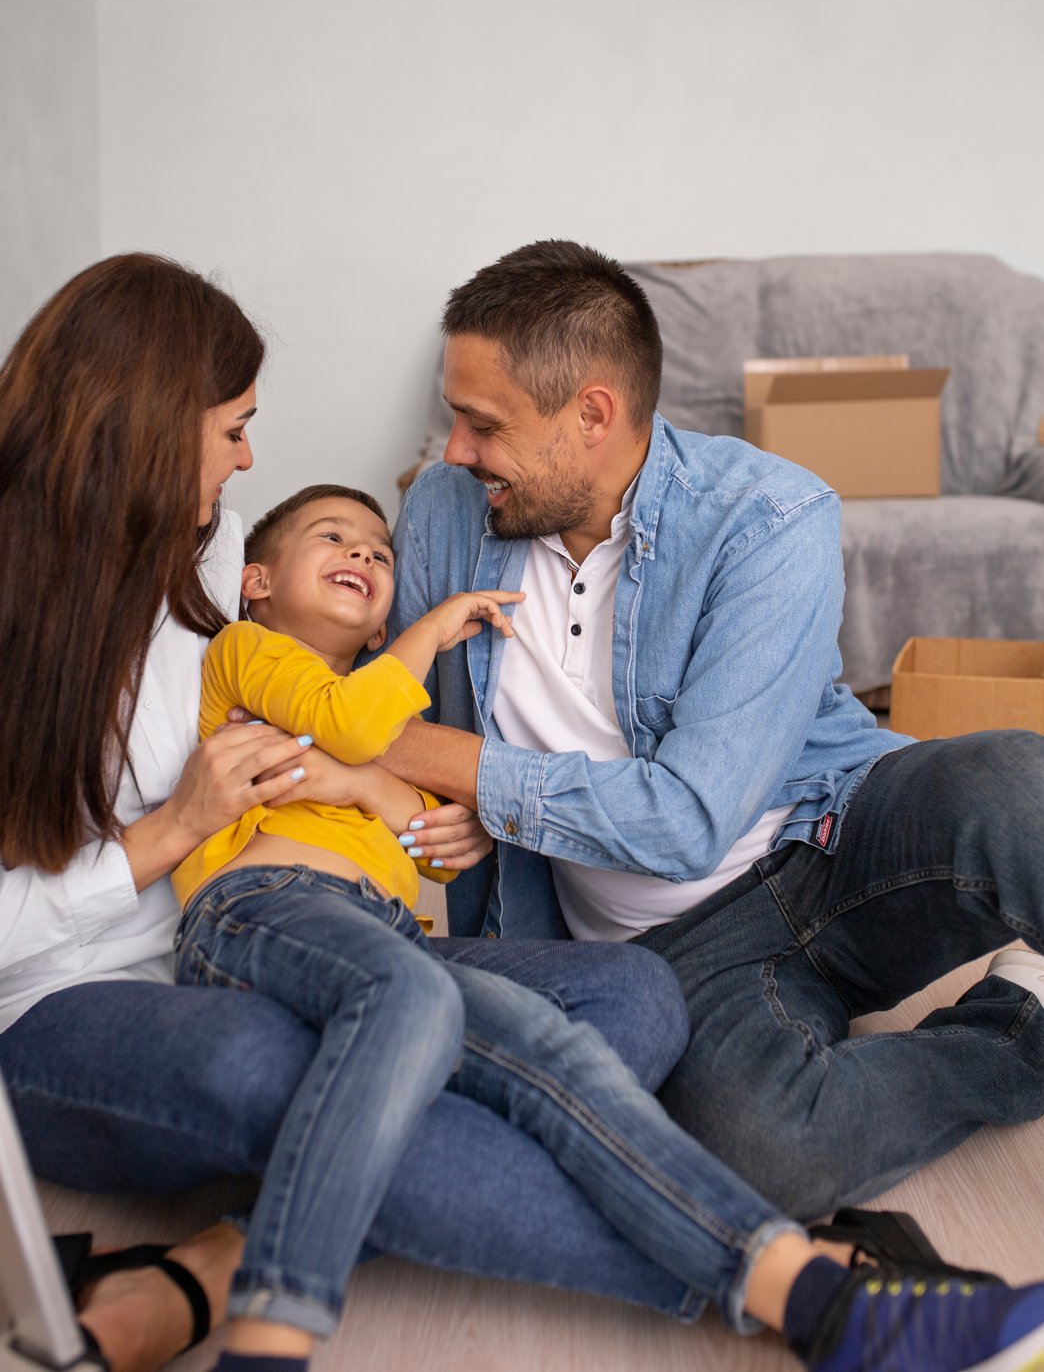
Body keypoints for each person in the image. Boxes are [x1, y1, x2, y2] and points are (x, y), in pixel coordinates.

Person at [0, 253, 707, 1372]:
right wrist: (169, 832)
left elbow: (332, 723)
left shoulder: (216, 558)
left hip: (280, 943)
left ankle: (227, 1263)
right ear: (138, 423)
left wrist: (400, 793)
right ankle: (797, 1287)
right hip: (65, 1006)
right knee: (276, 1065)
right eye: (230, 427)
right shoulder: (19, 617)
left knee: (628, 992)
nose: (247, 456)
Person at [170, 480, 1044, 1372]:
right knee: (437, 1010)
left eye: (379, 552)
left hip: (376, 921)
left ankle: (829, 1295)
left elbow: (419, 832)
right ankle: (821, 1296)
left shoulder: (383, 700)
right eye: (333, 539)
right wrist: (426, 640)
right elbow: (353, 733)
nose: (364, 555)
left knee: (539, 1042)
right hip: (259, 906)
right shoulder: (256, 655)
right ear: (255, 583)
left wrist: (393, 793)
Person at [381, 238, 1044, 1228]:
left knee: (1019, 790)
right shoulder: (444, 512)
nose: (452, 452)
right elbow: (394, 712)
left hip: (834, 845)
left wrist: (446, 763)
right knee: (768, 1153)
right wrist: (449, 795)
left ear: (593, 416)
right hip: (669, 954)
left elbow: (687, 819)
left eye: (482, 425)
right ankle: (1020, 1023)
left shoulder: (766, 518)